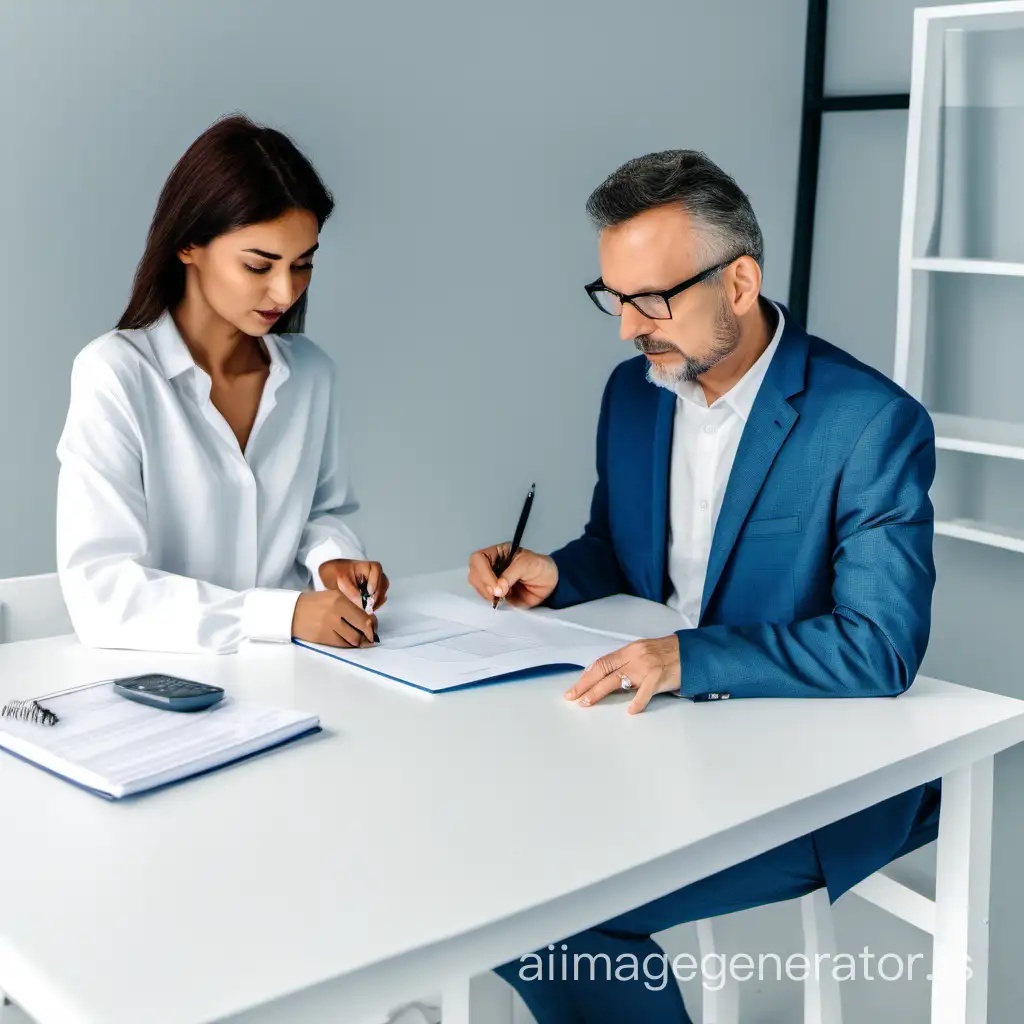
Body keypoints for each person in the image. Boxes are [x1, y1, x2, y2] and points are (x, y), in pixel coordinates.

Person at [468, 150, 941, 1022]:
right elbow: (622, 550)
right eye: (613, 300)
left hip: (821, 779)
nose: (626, 328)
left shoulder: (871, 423)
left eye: (651, 300)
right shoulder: (635, 392)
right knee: (481, 850)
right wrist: (559, 574)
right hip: (662, 748)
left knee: (551, 920)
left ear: (740, 281)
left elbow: (879, 646)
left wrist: (685, 658)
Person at [56, 114, 388, 655]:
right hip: (164, 688)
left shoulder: (310, 374)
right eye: (259, 265)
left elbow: (320, 512)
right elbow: (102, 594)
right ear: (189, 245)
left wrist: (333, 560)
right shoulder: (115, 374)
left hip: (303, 672)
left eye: (303, 264)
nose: (285, 292)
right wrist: (284, 614)